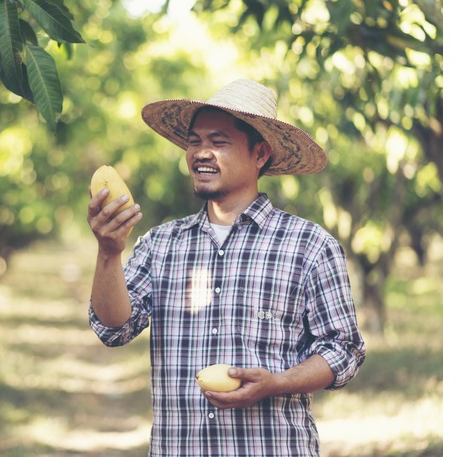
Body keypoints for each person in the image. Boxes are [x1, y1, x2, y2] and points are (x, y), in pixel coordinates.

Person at [86, 78, 366, 456]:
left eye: (218, 142)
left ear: (260, 155)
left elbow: (343, 350)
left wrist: (276, 383)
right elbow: (114, 328)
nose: (201, 153)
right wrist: (108, 251)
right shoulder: (161, 244)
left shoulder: (309, 246)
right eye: (194, 141)